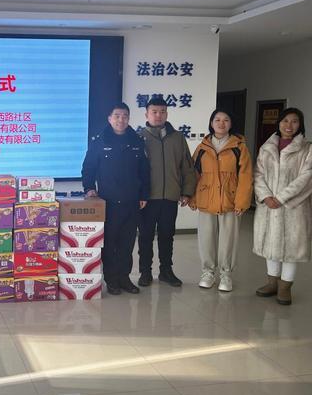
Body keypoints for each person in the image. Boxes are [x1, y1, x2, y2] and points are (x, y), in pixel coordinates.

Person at [82, 102, 150, 295]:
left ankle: (124, 278)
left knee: (127, 243)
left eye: (125, 116)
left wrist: (144, 194)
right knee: (110, 243)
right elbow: (88, 168)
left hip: (132, 201)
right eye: (117, 116)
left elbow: (144, 171)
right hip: (108, 202)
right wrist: (89, 188)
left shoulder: (137, 141)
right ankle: (111, 279)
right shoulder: (99, 141)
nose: (121, 120)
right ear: (109, 118)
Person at [189, 110, 253, 292]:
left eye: (226, 120)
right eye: (217, 120)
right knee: (206, 238)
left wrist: (242, 201)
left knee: (228, 240)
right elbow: (194, 174)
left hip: (230, 200)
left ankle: (226, 274)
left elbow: (246, 176)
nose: (221, 123)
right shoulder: (202, 147)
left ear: (231, 124)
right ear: (211, 123)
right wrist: (192, 197)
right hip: (206, 199)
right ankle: (208, 272)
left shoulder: (239, 147)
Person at [254, 108, 312, 305]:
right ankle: (272, 283)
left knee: (291, 249)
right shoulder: (267, 147)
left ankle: (285, 287)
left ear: (300, 124)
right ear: (278, 123)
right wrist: (266, 196)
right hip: (268, 206)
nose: (289, 125)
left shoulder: (307, 148)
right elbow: (258, 174)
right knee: (270, 245)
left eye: (294, 121)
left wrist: (281, 198)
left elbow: (307, 178)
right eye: (285, 121)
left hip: (293, 208)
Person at [137, 98, 196, 287]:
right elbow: (133, 170)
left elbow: (187, 166)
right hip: (146, 199)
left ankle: (166, 271)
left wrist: (187, 192)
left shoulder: (177, 138)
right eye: (154, 112)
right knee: (145, 236)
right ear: (146, 114)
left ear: (167, 114)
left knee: (167, 236)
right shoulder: (139, 137)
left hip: (170, 197)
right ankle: (145, 272)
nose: (158, 115)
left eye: (162, 111)